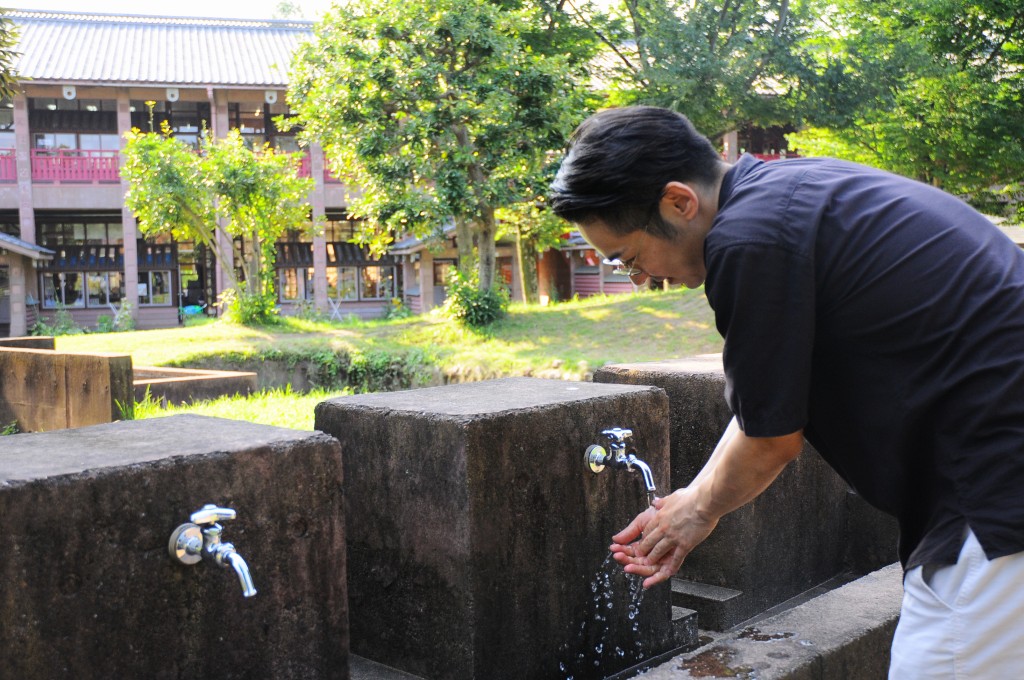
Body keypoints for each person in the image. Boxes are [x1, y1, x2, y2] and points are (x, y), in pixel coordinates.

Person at [549, 105, 1024, 677]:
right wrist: (694, 501)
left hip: (997, 483)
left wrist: (696, 512)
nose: (641, 279)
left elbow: (772, 440)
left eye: (629, 257)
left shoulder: (749, 242)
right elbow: (763, 404)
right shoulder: (792, 192)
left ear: (679, 202)